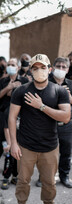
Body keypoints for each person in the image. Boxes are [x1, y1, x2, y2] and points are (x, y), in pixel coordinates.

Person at [8, 54, 70, 204]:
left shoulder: (59, 91)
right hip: (26, 146)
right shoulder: (21, 90)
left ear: (49, 69)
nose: (39, 70)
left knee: (49, 183)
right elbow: (12, 117)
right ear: (31, 70)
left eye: (43, 67)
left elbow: (65, 117)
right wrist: (13, 143)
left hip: (50, 147)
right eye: (35, 68)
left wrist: (41, 106)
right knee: (23, 181)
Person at [0, 58, 28, 176]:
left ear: (18, 67)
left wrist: (16, 92)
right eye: (8, 64)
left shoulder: (24, 81)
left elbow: (28, 97)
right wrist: (8, 88)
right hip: (4, 115)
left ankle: (17, 171)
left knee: (19, 142)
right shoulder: (3, 81)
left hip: (20, 117)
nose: (10, 66)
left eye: (13, 64)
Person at [48, 57, 72, 188]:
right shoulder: (46, 83)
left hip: (67, 125)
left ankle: (64, 176)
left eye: (64, 67)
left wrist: (69, 98)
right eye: (58, 66)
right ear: (53, 68)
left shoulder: (70, 84)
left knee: (66, 153)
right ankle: (45, 177)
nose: (61, 69)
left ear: (67, 70)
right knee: (47, 153)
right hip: (49, 124)